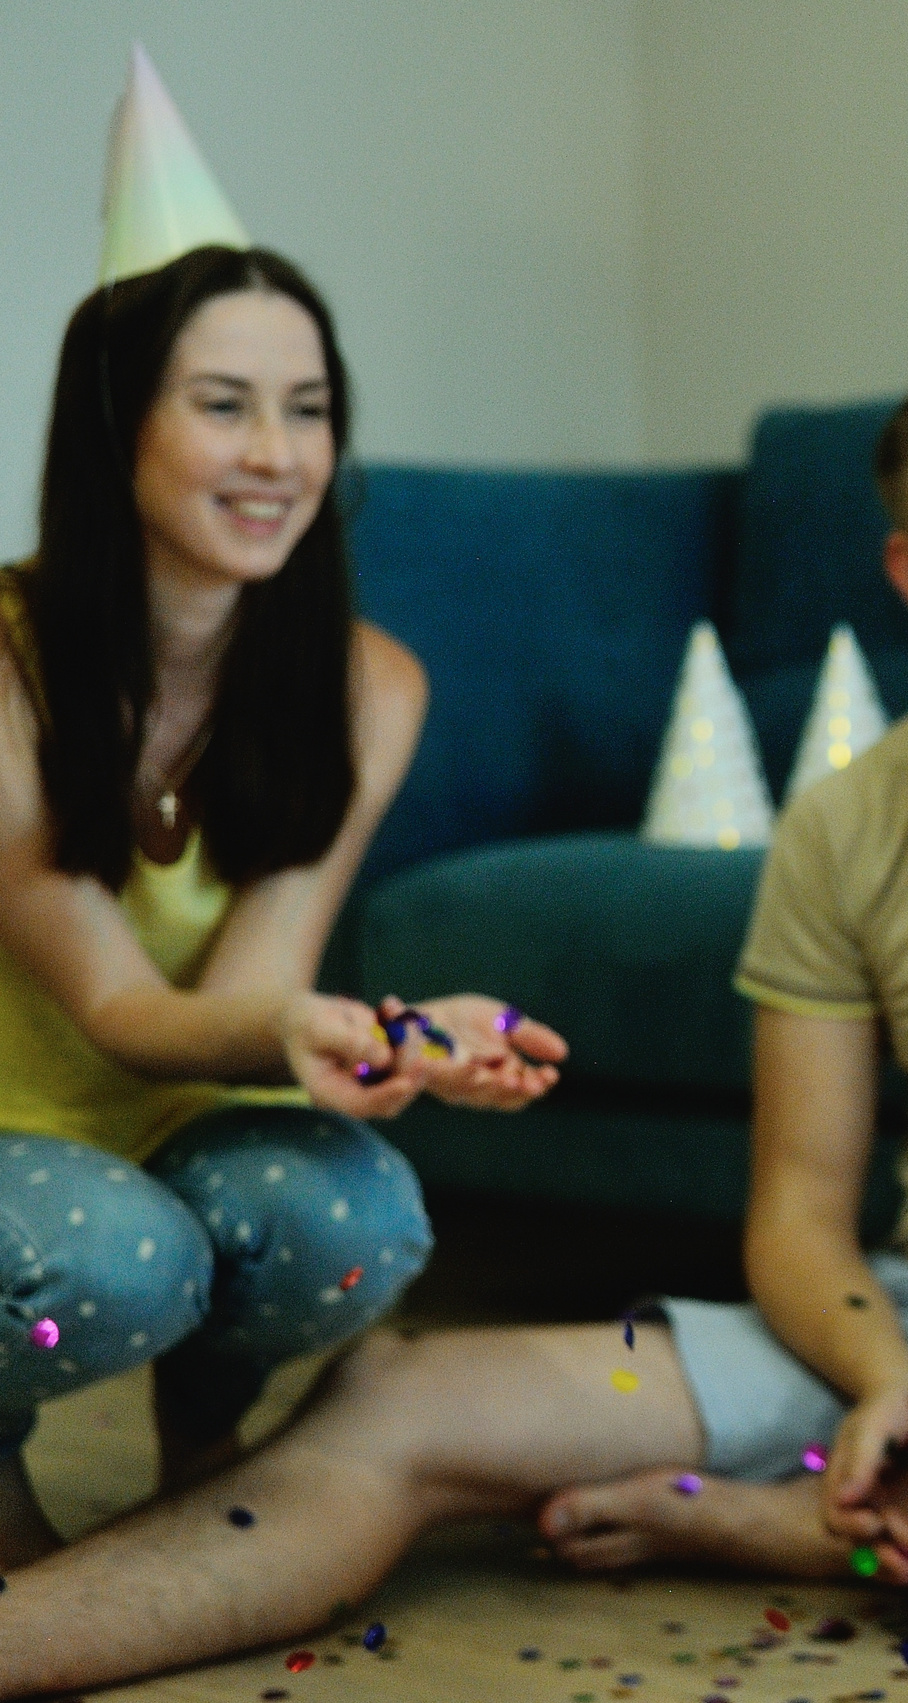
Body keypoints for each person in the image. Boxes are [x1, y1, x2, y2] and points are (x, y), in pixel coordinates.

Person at [0, 338, 908, 1700]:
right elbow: (798, 1211)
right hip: (900, 1326)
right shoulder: (842, 821)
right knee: (393, 1403)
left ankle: (814, 1528)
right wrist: (883, 1371)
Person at [0, 217, 568, 1574]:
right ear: (114, 427)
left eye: (309, 411)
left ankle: (204, 1433)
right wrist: (308, 1027)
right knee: (119, 1254)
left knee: (353, 1219)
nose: (278, 455)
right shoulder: (8, 669)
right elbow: (119, 1006)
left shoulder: (370, 684)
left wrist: (396, 1032)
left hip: (184, 1113)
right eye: (224, 406)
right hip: (21, 1139)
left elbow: (246, 999)